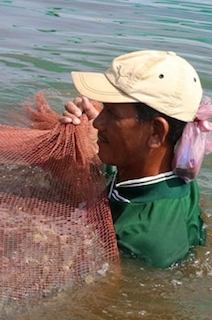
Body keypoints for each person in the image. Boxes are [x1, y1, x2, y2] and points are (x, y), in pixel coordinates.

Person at [61, 50, 208, 267]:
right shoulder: (180, 176)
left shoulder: (137, 242)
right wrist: (95, 147)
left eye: (112, 114)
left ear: (156, 132)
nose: (97, 123)